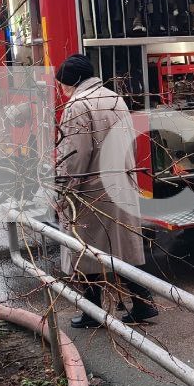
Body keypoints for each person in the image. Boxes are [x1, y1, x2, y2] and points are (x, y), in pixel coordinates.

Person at [55, 54, 158, 328]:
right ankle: (143, 303)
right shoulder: (115, 98)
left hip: (92, 191)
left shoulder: (77, 106)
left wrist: (63, 192)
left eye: (62, 84)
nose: (62, 90)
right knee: (122, 249)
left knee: (86, 250)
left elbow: (74, 156)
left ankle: (93, 312)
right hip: (121, 184)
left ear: (72, 81)